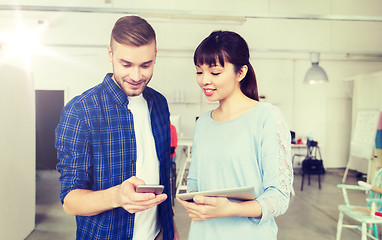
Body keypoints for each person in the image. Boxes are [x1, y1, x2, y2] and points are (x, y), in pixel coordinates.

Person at [55, 16, 178, 240]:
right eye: (126, 64)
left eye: (146, 65)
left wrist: (169, 226)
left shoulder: (159, 104)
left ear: (155, 56)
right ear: (110, 54)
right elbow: (69, 201)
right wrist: (117, 197)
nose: (136, 76)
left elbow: (161, 172)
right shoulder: (80, 111)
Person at [176, 31, 293, 239]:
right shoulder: (203, 123)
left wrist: (229, 209)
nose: (204, 80)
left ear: (241, 73)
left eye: (215, 72)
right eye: (198, 72)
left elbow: (279, 197)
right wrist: (191, 200)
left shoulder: (267, 117)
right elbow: (194, 184)